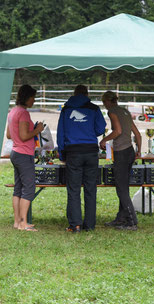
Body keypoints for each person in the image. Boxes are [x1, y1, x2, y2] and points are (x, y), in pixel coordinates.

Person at [57, 85, 106, 232]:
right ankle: (90, 225)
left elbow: (61, 133)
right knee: (91, 189)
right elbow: (100, 129)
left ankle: (75, 224)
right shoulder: (94, 108)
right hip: (91, 151)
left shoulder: (66, 109)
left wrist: (61, 154)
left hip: (73, 152)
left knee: (74, 189)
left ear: (74, 94)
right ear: (87, 94)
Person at [99, 91, 142, 231]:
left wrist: (104, 140)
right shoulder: (125, 111)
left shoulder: (112, 112)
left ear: (107, 102)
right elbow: (137, 133)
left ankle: (131, 221)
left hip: (121, 152)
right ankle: (121, 218)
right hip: (130, 150)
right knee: (124, 186)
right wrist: (139, 150)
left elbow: (117, 131)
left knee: (121, 188)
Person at [6, 85, 45, 231]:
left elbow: (10, 135)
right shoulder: (23, 114)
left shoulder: (13, 111)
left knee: (18, 189)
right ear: (27, 98)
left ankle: (17, 222)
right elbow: (23, 136)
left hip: (15, 153)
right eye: (33, 97)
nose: (34, 100)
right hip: (24, 154)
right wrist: (37, 130)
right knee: (29, 188)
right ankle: (23, 223)